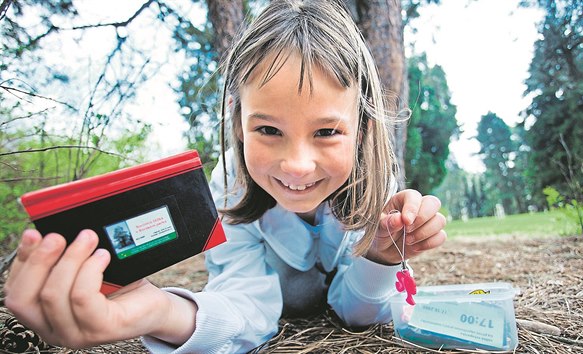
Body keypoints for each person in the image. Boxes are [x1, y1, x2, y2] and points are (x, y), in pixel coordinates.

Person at [5, 0, 447, 352]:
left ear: (363, 127)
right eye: (268, 130)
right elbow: (245, 305)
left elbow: (356, 314)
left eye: (327, 132)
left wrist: (382, 258)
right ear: (238, 124)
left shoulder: (379, 193)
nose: (296, 164)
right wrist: (156, 311)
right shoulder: (230, 184)